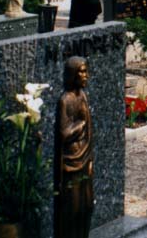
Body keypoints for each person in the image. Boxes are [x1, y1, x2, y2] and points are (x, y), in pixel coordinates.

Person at [56, 57, 93, 238]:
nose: (86, 76)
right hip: (71, 161)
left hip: (85, 158)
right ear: (73, 75)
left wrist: (91, 158)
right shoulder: (66, 100)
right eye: (82, 72)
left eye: (86, 71)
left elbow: (90, 130)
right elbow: (64, 134)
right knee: (73, 207)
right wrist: (81, 124)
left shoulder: (82, 96)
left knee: (86, 206)